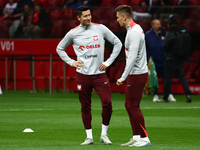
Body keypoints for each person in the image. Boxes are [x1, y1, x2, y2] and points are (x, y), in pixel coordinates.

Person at [56, 6, 122, 145]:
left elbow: (118, 43)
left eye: (89, 15)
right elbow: (59, 48)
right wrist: (71, 62)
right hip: (82, 75)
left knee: (107, 103)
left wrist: (109, 61)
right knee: (85, 106)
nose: (88, 18)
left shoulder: (101, 28)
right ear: (78, 18)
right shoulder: (73, 33)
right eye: (85, 16)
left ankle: (104, 134)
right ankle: (89, 137)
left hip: (100, 75)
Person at [115, 5, 151, 147]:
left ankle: (145, 138)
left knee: (133, 106)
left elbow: (133, 57)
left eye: (118, 17)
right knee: (129, 105)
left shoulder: (135, 32)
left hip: (137, 73)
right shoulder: (132, 30)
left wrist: (123, 77)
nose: (117, 21)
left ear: (124, 16)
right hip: (134, 73)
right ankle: (136, 137)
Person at [159, 14, 192, 103]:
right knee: (182, 77)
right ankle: (188, 95)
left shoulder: (170, 33)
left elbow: (165, 47)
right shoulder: (181, 32)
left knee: (168, 79)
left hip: (171, 60)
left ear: (169, 23)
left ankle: (165, 97)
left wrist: (164, 39)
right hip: (180, 59)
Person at [145, 19, 176, 102]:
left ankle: (169, 94)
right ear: (152, 25)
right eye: (157, 24)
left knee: (166, 78)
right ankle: (155, 95)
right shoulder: (147, 35)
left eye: (159, 24)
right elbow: (145, 48)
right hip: (153, 61)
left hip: (163, 60)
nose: (159, 25)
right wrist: (148, 58)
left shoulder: (164, 33)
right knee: (154, 79)